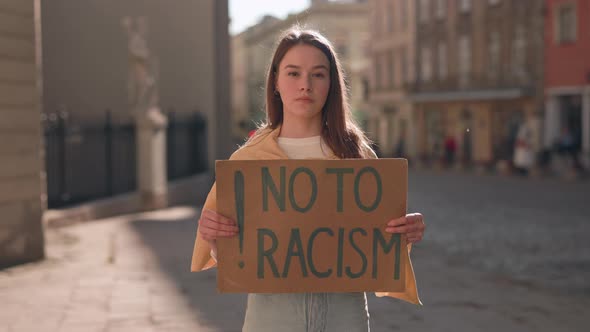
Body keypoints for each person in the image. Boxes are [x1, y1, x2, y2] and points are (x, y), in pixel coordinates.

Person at [191, 28, 426, 332]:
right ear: (275, 81)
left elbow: (375, 249)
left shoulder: (357, 156)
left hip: (344, 316)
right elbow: (232, 256)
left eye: (318, 74)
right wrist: (212, 235)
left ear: (331, 84)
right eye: (293, 73)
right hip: (271, 318)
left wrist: (404, 232)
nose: (305, 85)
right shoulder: (248, 161)